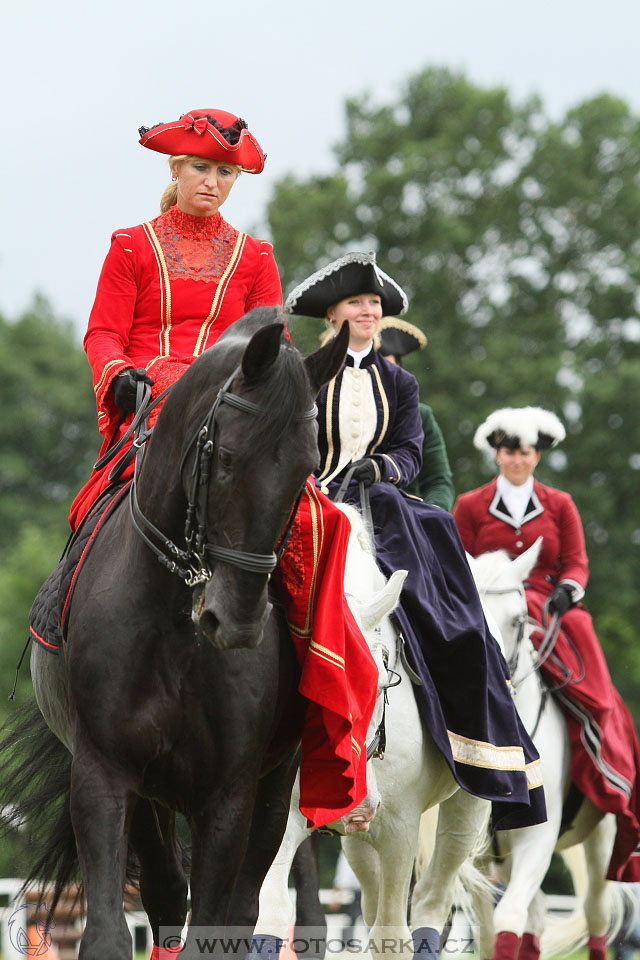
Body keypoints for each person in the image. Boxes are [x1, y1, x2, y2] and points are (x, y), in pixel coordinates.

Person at [65, 109, 380, 838]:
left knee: (314, 525)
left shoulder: (255, 256)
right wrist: (116, 373)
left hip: (233, 420)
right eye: (201, 170)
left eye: (226, 174)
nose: (212, 183)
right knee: (92, 516)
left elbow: (267, 348)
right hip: (150, 416)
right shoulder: (131, 246)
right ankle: (60, 634)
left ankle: (322, 691)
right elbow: (104, 330)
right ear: (173, 172)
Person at [284, 252, 546, 830]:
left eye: (375, 304)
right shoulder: (301, 372)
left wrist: (379, 471)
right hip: (311, 501)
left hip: (379, 504)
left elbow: (410, 452)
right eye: (358, 303)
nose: (369, 311)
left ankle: (471, 731)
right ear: (334, 313)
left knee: (447, 603)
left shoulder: (401, 381)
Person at [453, 406, 640, 880]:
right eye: (509, 450)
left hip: (548, 604)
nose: (517, 459)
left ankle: (603, 745)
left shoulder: (560, 504)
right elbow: (456, 559)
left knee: (587, 653)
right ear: (497, 453)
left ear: (537, 456)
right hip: (489, 603)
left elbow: (576, 561)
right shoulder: (471, 504)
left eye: (526, 451)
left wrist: (568, 589)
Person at [376, 316, 454, 510]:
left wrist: (429, 517)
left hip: (407, 513)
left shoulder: (421, 415)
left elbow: (438, 482)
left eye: (387, 369)